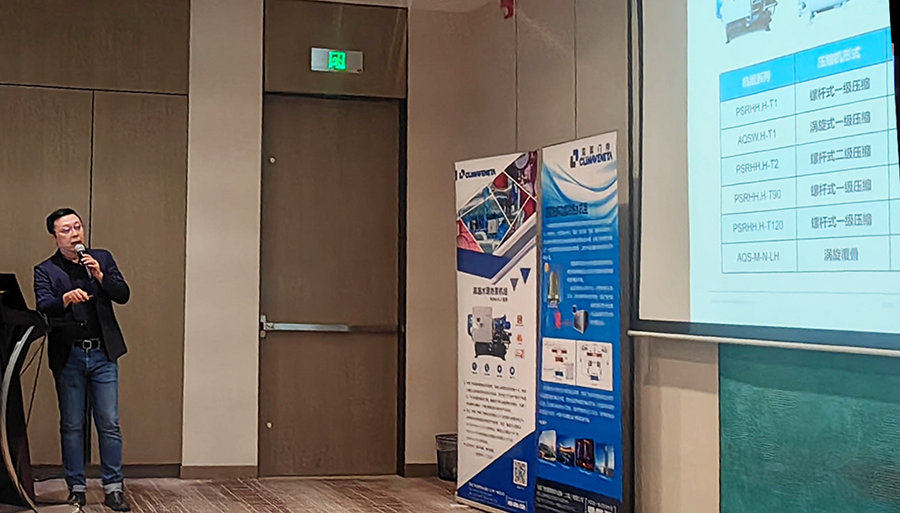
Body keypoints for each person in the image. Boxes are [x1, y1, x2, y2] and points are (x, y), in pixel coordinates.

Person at [33, 208, 131, 512]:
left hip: (103, 353)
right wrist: (64, 299)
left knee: (109, 422)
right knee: (72, 424)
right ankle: (76, 487)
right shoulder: (45, 269)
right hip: (69, 355)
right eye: (66, 230)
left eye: (77, 227)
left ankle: (113, 488)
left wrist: (100, 275)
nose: (74, 233)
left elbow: (123, 293)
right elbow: (43, 305)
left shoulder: (101, 258)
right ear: (54, 237)